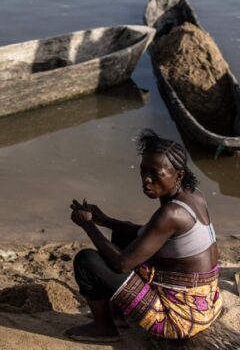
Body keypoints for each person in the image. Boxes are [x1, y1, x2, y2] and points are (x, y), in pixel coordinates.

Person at [66, 129, 222, 343]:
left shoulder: (171, 213)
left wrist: (88, 225)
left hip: (178, 318)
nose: (146, 180)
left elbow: (122, 264)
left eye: (156, 173)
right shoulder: (193, 196)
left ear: (179, 174)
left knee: (86, 260)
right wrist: (104, 220)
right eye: (143, 170)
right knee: (123, 234)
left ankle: (104, 328)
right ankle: (117, 315)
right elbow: (151, 233)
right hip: (206, 303)